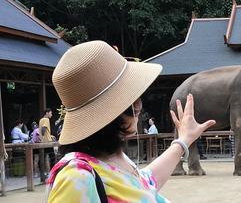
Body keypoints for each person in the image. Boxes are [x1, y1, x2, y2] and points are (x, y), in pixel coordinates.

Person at [46, 40, 215, 202]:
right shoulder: (76, 178)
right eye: (133, 96)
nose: (140, 104)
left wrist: (183, 140)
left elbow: (144, 183)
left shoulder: (112, 158)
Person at [39, 108, 56, 172]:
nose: (51, 115)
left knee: (43, 157)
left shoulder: (41, 120)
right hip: (48, 141)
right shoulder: (46, 119)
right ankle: (52, 171)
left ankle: (43, 173)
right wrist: (44, 136)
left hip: (43, 141)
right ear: (47, 113)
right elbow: (43, 128)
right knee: (52, 157)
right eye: (51, 113)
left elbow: (42, 130)